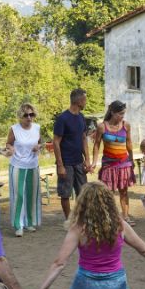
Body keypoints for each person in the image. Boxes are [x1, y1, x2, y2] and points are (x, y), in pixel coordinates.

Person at [92, 100, 136, 224]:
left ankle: (126, 217)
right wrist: (95, 162)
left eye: (123, 114)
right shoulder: (102, 126)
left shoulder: (126, 125)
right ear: (112, 112)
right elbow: (96, 145)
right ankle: (109, 218)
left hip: (124, 164)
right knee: (108, 192)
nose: (122, 116)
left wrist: (131, 158)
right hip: (108, 165)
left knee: (124, 191)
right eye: (120, 114)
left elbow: (129, 142)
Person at [5, 103, 42, 237]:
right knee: (19, 195)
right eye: (26, 115)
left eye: (31, 114)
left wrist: (38, 147)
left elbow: (40, 142)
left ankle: (30, 222)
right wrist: (11, 148)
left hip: (33, 164)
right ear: (20, 116)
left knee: (32, 194)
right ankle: (18, 225)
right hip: (18, 165)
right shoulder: (14, 129)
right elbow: (8, 143)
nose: (29, 117)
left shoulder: (37, 127)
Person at [54, 88, 90, 219]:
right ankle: (68, 220)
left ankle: (81, 218)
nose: (86, 102)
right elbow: (56, 142)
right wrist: (60, 165)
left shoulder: (81, 117)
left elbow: (83, 138)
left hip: (79, 161)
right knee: (65, 193)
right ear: (79, 100)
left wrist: (87, 159)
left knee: (83, 192)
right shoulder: (62, 118)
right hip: (66, 163)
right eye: (85, 99)